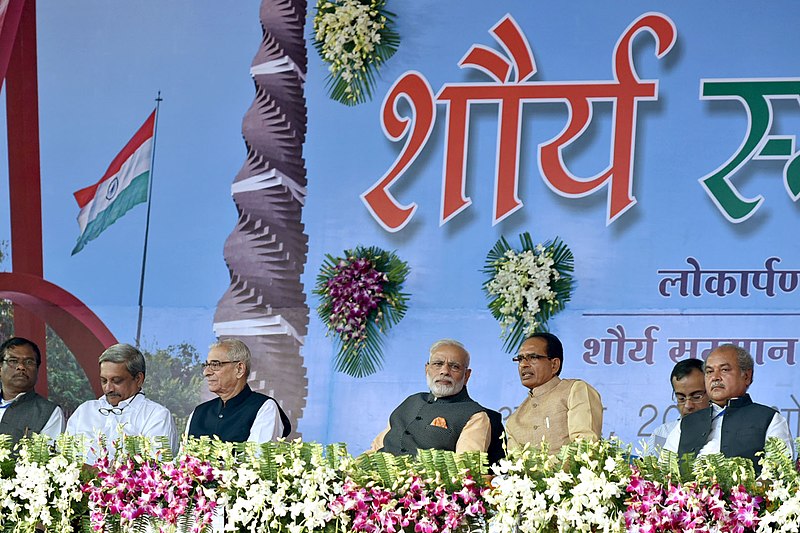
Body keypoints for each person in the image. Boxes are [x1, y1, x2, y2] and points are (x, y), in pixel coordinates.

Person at [664, 344, 794, 468]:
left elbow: (779, 474)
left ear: (747, 376)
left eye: (724, 370)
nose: (715, 377)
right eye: (709, 372)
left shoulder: (769, 419)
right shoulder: (686, 424)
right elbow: (664, 472)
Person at [371, 339, 493, 456]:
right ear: (427, 369)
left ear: (466, 375)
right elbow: (375, 448)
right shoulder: (411, 401)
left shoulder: (475, 416)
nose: (444, 371)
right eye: (438, 364)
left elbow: (465, 470)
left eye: (454, 366)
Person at [66, 343, 179, 457]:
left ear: (138, 379)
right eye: (104, 381)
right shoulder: (85, 411)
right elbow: (64, 461)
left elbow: (156, 469)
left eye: (116, 381)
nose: (108, 388)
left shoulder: (156, 416)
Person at [505, 332, 603, 453]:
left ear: (554, 364)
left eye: (533, 357)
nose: (524, 365)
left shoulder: (575, 390)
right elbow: (514, 467)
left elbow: (586, 447)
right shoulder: (514, 420)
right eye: (520, 359)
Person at [186, 338, 291, 443]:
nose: (206, 372)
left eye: (215, 365)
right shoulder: (199, 412)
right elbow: (183, 458)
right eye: (206, 365)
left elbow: (257, 457)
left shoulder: (264, 408)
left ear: (239, 369)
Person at [0, 337, 65, 443]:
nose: (21, 367)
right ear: (0, 368)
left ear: (37, 370)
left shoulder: (49, 413)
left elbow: (47, 457)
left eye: (29, 362)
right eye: (13, 361)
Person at [642, 358, 709, 456]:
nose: (688, 405)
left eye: (696, 397)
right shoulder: (662, 434)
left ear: (711, 393)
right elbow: (649, 470)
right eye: (681, 398)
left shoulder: (722, 429)